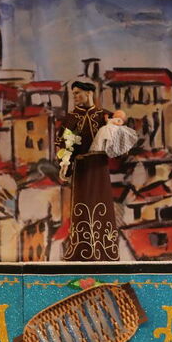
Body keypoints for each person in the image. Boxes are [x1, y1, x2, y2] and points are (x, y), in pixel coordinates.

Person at [55, 81, 119, 261]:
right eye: (73, 94)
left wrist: (112, 129)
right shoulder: (71, 118)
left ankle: (105, 249)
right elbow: (64, 144)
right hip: (82, 169)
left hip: (99, 168)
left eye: (78, 93)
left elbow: (116, 144)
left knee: (102, 205)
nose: (74, 96)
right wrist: (64, 162)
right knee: (82, 207)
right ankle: (81, 250)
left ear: (89, 93)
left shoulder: (104, 116)